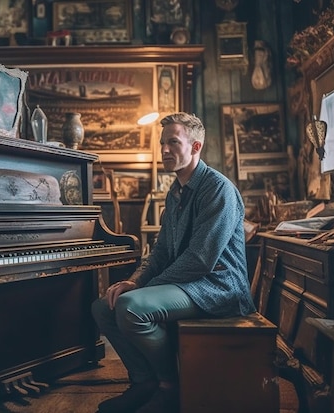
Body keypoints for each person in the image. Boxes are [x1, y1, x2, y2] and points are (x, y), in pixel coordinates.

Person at [92, 112, 256, 413]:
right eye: (162, 143)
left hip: (218, 287)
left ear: (195, 147)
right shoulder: (176, 191)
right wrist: (135, 281)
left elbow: (200, 260)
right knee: (104, 306)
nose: (165, 150)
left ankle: (170, 387)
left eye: (173, 142)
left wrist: (144, 290)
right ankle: (144, 384)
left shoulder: (218, 189)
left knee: (131, 308)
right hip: (189, 283)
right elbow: (162, 251)